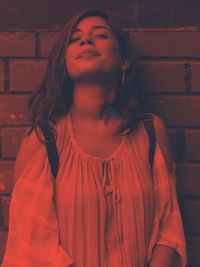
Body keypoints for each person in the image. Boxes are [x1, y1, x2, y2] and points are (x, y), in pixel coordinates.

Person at [1, 8, 187, 267]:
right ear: (65, 63)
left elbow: (168, 232)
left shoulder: (151, 133)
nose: (86, 40)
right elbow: (29, 248)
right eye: (75, 39)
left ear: (124, 60)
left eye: (100, 35)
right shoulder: (42, 143)